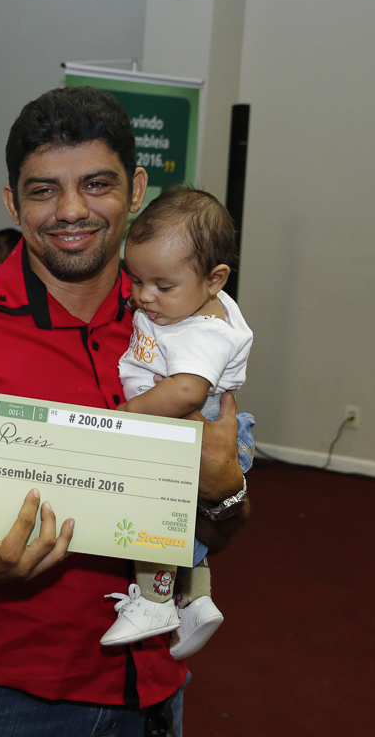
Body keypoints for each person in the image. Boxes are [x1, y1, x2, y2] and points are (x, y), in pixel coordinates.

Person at [0, 86, 249, 737]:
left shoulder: (186, 327)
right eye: (44, 190)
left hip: (157, 684)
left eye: (97, 184)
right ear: (11, 202)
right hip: (15, 692)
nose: (71, 211)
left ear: (136, 188)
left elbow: (215, 528)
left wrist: (225, 495)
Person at [104, 185, 254, 660]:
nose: (144, 297)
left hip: (188, 420)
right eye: (135, 281)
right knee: (185, 524)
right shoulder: (190, 305)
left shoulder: (202, 331)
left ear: (215, 279)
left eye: (162, 287)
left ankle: (153, 601)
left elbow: (187, 390)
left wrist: (127, 414)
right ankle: (199, 600)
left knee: (154, 511)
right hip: (189, 419)